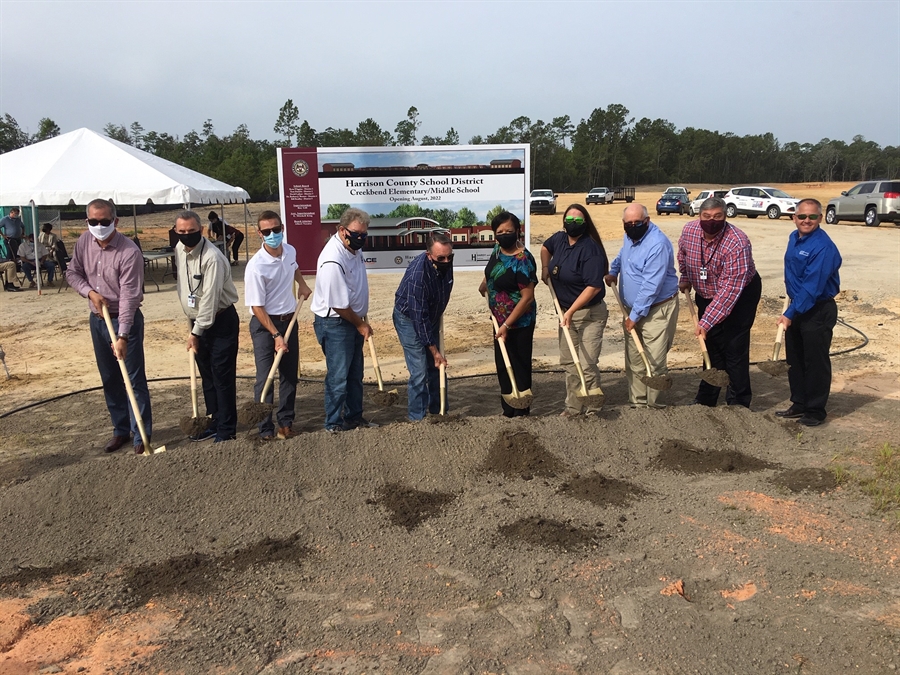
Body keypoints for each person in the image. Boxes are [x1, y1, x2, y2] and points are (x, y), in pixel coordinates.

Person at [66, 198, 152, 454]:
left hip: (125, 320)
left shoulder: (129, 252)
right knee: (110, 378)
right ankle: (120, 430)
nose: (99, 226)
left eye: (104, 222)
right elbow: (72, 272)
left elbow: (130, 296)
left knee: (133, 378)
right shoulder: (83, 242)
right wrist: (90, 293)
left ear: (115, 221)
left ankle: (141, 435)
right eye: (94, 222)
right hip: (98, 319)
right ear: (87, 222)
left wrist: (123, 335)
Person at [678, 196, 761, 408]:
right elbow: (683, 254)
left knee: (734, 347)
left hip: (740, 294)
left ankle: (738, 401)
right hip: (706, 292)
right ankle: (706, 399)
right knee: (711, 346)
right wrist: (686, 277)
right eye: (706, 216)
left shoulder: (738, 242)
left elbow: (729, 293)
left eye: (717, 216)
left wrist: (705, 323)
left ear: (725, 216)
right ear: (699, 216)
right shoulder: (690, 231)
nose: (711, 220)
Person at [173, 210, 241, 443]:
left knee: (222, 375)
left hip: (220, 320)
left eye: (191, 231)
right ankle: (214, 420)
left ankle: (227, 429)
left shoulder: (213, 257)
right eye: (181, 232)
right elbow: (184, 285)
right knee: (207, 376)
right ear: (176, 232)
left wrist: (196, 332)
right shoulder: (179, 251)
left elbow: (211, 300)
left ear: (201, 230)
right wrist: (190, 320)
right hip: (197, 322)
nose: (186, 235)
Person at [245, 210, 312, 441]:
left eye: (276, 229)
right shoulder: (256, 267)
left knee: (289, 376)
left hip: (289, 320)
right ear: (259, 233)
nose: (273, 234)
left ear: (282, 228)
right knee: (266, 378)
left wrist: (302, 284)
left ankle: (286, 424)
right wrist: (275, 335)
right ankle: (265, 429)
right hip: (265, 325)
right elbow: (256, 307)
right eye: (267, 231)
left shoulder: (290, 250)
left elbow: (293, 266)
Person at [604, 203, 679, 408]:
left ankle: (653, 405)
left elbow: (651, 286)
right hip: (632, 309)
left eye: (638, 222)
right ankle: (638, 403)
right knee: (635, 358)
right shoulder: (630, 236)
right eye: (629, 223)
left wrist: (634, 316)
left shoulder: (657, 244)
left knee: (654, 359)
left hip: (657, 310)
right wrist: (614, 270)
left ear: (647, 221)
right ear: (624, 224)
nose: (633, 226)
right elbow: (623, 255)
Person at [775, 198, 842, 427]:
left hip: (817, 309)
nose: (806, 220)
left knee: (815, 361)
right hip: (798, 306)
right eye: (802, 216)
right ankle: (799, 403)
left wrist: (790, 313)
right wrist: (792, 305)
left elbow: (812, 287)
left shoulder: (823, 247)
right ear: (794, 218)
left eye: (812, 216)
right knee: (795, 359)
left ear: (820, 219)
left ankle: (815, 410)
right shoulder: (794, 238)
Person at [540, 204, 610, 416]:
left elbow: (594, 287)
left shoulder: (591, 250)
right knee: (570, 363)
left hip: (589, 315)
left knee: (587, 363)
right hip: (565, 313)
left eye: (577, 221)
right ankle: (573, 406)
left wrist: (570, 312)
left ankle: (593, 407)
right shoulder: (560, 239)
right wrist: (545, 268)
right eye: (569, 221)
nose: (572, 224)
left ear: (585, 223)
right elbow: (545, 247)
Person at [311, 207, 374, 432]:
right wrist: (360, 324)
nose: (361, 238)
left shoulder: (354, 250)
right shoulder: (332, 260)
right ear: (341, 230)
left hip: (353, 319)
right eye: (357, 234)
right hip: (335, 323)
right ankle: (333, 423)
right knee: (338, 377)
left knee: (355, 374)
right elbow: (338, 305)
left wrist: (360, 318)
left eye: (364, 235)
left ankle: (354, 417)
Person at [478, 212, 537, 417]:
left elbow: (527, 297)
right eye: (500, 232)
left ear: (518, 231)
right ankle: (508, 411)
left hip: (519, 322)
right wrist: (486, 283)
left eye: (509, 231)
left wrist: (507, 326)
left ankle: (521, 412)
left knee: (518, 365)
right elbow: (494, 270)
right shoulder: (497, 249)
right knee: (503, 365)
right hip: (498, 320)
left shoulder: (523, 260)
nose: (504, 235)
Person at [394, 231, 455, 420]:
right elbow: (418, 318)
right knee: (420, 370)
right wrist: (434, 351)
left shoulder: (446, 263)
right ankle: (417, 419)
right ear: (429, 255)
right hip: (409, 319)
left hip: (431, 316)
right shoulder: (417, 276)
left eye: (449, 257)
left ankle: (439, 412)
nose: (446, 261)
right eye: (441, 258)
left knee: (437, 368)